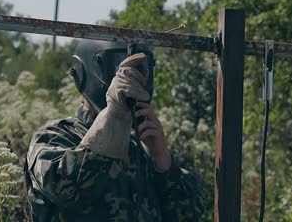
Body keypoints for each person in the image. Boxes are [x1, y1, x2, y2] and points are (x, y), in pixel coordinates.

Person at [24, 41, 206, 221]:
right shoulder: (54, 136)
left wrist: (162, 160)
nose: (130, 79)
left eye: (140, 70)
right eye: (118, 70)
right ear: (84, 72)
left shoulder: (140, 149)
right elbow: (67, 189)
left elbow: (188, 214)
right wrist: (113, 116)